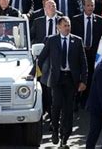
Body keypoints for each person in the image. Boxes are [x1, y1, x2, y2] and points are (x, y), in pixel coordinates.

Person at [37, 16, 87, 148]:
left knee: (68, 109)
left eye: (68, 25)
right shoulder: (52, 40)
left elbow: (83, 63)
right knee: (56, 105)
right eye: (64, 25)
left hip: (71, 79)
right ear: (58, 27)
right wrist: (33, 75)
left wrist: (83, 81)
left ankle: (65, 137)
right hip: (57, 78)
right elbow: (41, 58)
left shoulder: (77, 41)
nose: (67, 27)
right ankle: (55, 129)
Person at [71, 0, 102, 106]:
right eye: (88, 5)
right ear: (83, 6)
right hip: (80, 53)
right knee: (78, 76)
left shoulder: (100, 20)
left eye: (92, 5)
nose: (90, 8)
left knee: (90, 76)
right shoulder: (76, 19)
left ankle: (86, 100)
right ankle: (75, 101)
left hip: (93, 54)